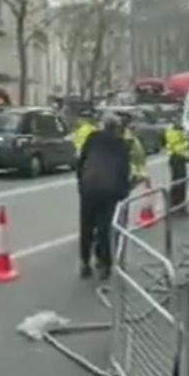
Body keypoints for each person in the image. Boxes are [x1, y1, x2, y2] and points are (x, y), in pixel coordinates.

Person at [77, 114, 131, 280]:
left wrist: (80, 183)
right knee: (105, 227)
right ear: (116, 128)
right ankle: (104, 263)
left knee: (86, 225)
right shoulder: (120, 144)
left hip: (89, 186)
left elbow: (81, 161)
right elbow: (123, 169)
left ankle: (85, 263)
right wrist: (123, 192)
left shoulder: (92, 138)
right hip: (109, 188)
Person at [164, 119, 189, 211]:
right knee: (179, 182)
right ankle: (177, 205)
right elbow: (178, 147)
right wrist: (188, 145)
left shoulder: (179, 131)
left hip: (178, 158)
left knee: (180, 182)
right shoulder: (173, 132)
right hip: (177, 158)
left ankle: (178, 205)